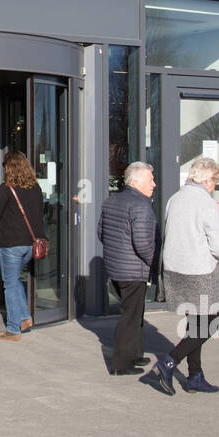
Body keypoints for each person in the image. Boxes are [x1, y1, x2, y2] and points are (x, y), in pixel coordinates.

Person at [153, 156, 219, 395]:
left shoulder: (174, 199)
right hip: (200, 272)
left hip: (175, 270)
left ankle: (195, 375)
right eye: (214, 181)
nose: (214, 186)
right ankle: (168, 362)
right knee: (209, 324)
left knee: (194, 324)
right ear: (207, 180)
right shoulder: (206, 204)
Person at [0, 150, 45, 341]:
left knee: (10, 284)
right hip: (31, 245)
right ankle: (24, 318)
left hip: (12, 245)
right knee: (14, 282)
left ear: (9, 168)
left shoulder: (6, 189)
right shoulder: (36, 188)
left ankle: (13, 329)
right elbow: (40, 215)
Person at [98, 161, 158, 375]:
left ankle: (135, 353)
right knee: (130, 317)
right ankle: (120, 364)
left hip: (116, 267)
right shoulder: (141, 205)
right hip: (133, 270)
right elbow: (143, 243)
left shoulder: (111, 201)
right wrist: (154, 262)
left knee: (135, 313)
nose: (154, 184)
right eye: (150, 179)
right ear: (136, 181)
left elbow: (101, 233)